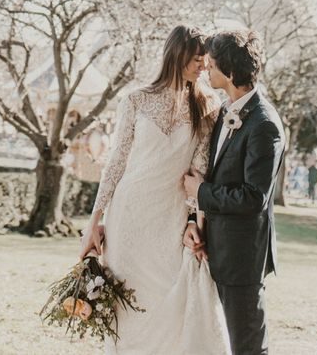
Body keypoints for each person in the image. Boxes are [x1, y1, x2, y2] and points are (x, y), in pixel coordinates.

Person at [80, 25, 231, 355]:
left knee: (168, 299)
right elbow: (116, 163)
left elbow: (199, 170)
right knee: (124, 308)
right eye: (196, 59)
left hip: (169, 219)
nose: (203, 66)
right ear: (176, 55)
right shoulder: (136, 100)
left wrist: (195, 221)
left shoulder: (209, 105)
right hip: (127, 218)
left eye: (205, 61)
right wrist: (94, 221)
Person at [183, 30, 285, 355]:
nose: (206, 71)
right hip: (218, 248)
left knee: (248, 347)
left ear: (229, 72)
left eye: (211, 66)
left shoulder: (263, 124)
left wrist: (201, 192)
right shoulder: (228, 111)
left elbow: (254, 198)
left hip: (242, 257)